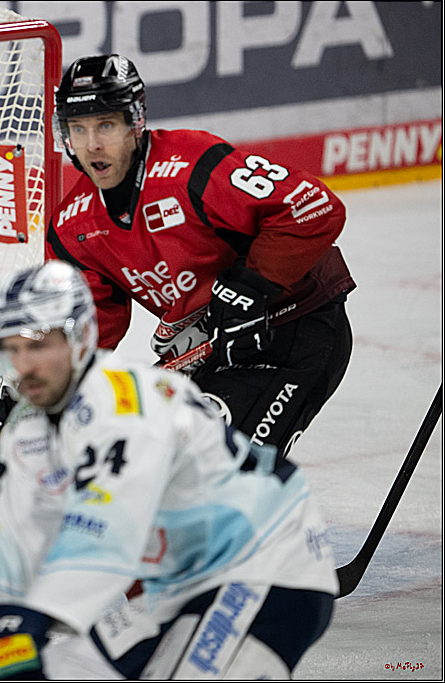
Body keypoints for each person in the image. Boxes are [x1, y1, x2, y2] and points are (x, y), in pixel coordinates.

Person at [0, 260, 339, 680]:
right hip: (169, 579)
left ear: (82, 338)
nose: (26, 365)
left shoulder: (125, 405)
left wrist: (30, 614)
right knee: (51, 666)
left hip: (262, 567)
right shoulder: (32, 431)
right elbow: (11, 548)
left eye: (40, 345)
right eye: (13, 349)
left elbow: (106, 535)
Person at [38, 53, 354, 461]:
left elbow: (313, 207)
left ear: (135, 122)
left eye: (106, 125)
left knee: (220, 470)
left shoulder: (191, 165)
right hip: (216, 351)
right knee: (143, 463)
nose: (92, 144)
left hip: (296, 329)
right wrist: (29, 399)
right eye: (78, 128)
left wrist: (251, 285)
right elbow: (82, 335)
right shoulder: (72, 226)